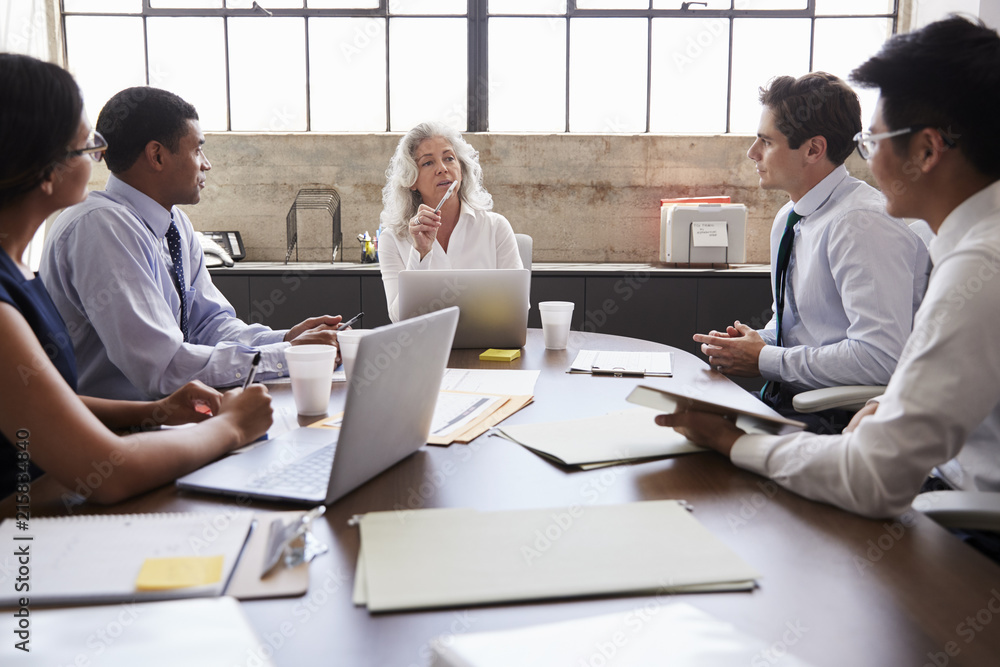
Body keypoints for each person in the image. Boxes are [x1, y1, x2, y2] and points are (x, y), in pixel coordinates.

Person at [655, 17, 1000, 543]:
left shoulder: (976, 267)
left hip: (963, 521)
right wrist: (890, 406)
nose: (867, 158)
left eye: (872, 140)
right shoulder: (971, 249)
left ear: (927, 151)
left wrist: (730, 440)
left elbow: (876, 476)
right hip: (928, 471)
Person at [0, 54, 272, 502]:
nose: (100, 155)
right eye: (87, 146)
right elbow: (107, 472)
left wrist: (155, 411)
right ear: (44, 168)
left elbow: (41, 406)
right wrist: (231, 427)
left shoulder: (16, 271)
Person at [40, 87, 343, 401]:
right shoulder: (101, 226)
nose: (206, 164)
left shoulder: (176, 224)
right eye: (198, 150)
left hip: (167, 420)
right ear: (157, 155)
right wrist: (289, 355)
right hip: (114, 433)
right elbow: (163, 367)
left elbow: (208, 325)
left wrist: (286, 339)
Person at [694, 72, 929, 433]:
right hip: (786, 401)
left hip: (835, 419)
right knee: (684, 423)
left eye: (766, 142)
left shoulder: (860, 224)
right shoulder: (790, 217)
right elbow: (796, 327)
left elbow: (880, 357)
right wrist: (754, 343)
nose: (752, 153)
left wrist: (765, 359)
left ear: (814, 150)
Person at [378, 121, 523, 322]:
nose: (442, 169)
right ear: (411, 181)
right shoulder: (392, 239)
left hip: (486, 349)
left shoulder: (496, 227)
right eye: (428, 163)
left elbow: (518, 307)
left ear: (461, 171)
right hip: (425, 348)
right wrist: (420, 252)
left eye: (449, 158)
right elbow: (398, 317)